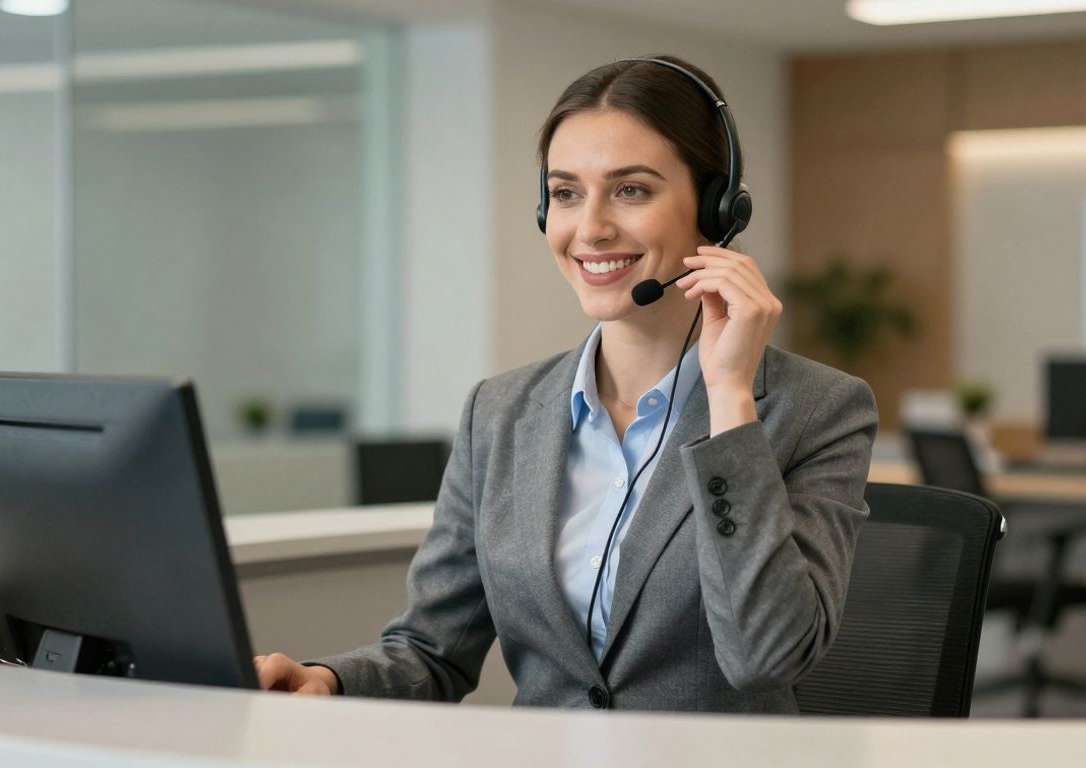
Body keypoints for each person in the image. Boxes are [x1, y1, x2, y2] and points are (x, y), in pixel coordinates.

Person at [254, 55, 878, 713]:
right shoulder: (498, 413)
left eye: (632, 190)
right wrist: (327, 679)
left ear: (718, 208)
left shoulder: (816, 409)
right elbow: (432, 650)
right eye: (565, 193)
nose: (590, 228)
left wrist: (728, 397)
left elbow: (766, 658)